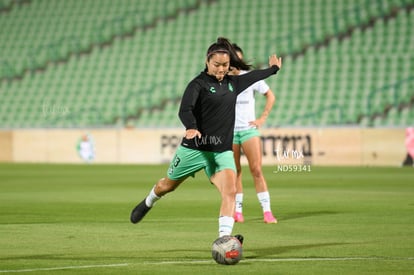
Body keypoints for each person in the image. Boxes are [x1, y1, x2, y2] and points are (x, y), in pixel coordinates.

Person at [130, 37, 282, 240]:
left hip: (221, 151)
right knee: (167, 185)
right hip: (195, 148)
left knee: (230, 191)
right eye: (217, 65)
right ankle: (149, 201)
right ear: (207, 62)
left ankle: (224, 239)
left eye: (225, 65)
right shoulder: (198, 84)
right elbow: (185, 109)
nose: (221, 69)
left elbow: (254, 76)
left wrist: (273, 69)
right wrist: (191, 127)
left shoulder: (233, 83)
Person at [228, 44, 277, 224]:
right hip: (230, 133)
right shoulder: (223, 80)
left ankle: (267, 211)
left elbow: (270, 95)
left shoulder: (250, 78)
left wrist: (262, 118)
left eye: (238, 59)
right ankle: (238, 212)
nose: (236, 63)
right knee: (235, 172)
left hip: (249, 131)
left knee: (256, 170)